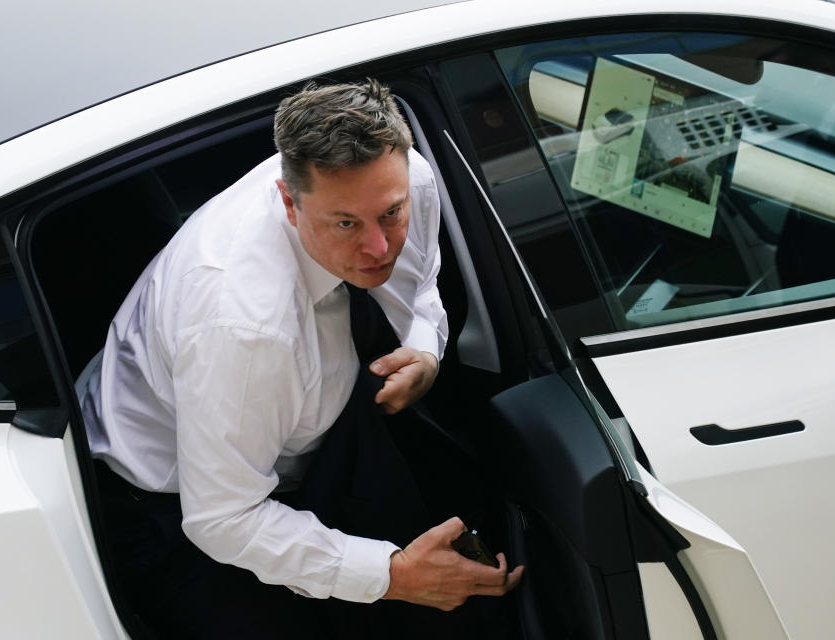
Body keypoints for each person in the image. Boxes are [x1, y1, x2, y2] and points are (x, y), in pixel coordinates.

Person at [78, 79, 523, 638]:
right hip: (174, 506)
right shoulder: (246, 326)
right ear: (289, 202)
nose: (379, 247)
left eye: (391, 213)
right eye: (346, 224)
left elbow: (421, 284)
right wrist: (392, 576)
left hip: (322, 438)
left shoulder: (410, 182)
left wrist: (426, 348)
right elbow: (224, 518)